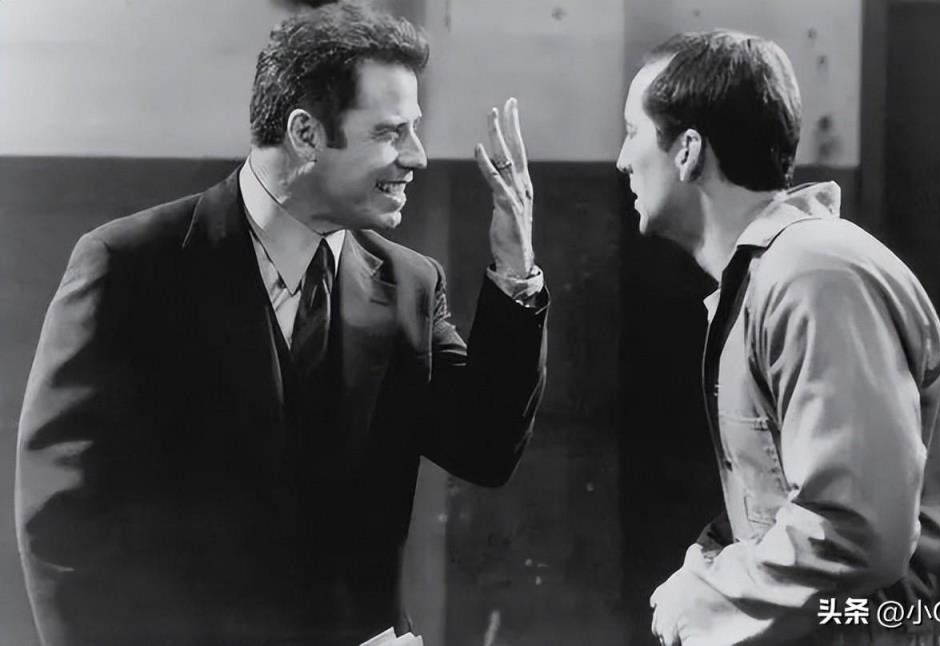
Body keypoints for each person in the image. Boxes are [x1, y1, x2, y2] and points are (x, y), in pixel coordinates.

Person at [15, 3, 547, 645]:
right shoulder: (130, 267)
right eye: (390, 133)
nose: (417, 156)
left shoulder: (410, 284)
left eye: (414, 129)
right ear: (305, 133)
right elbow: (62, 519)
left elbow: (485, 447)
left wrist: (516, 271)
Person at [616, 30, 940, 645]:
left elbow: (856, 530)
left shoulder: (812, 273)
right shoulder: (776, 274)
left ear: (688, 151)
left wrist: (712, 596)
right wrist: (706, 568)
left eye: (633, 132)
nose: (623, 160)